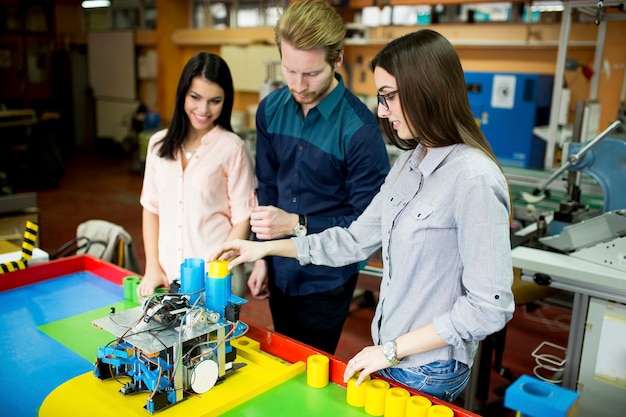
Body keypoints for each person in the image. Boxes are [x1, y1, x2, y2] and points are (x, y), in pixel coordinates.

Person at [211, 29, 514, 402]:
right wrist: (267, 250)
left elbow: (489, 307)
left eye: (388, 97)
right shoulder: (408, 163)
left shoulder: (474, 178)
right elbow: (353, 241)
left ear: (425, 91)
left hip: (429, 367)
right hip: (391, 352)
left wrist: (390, 351)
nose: (383, 111)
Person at [248, 0, 390, 355]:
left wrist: (296, 224)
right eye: (290, 71)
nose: (299, 84)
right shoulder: (270, 110)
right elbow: (266, 187)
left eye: (311, 73)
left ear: (337, 60)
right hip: (279, 268)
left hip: (327, 278)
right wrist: (261, 257)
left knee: (312, 364)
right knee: (282, 357)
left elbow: (366, 224)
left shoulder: (359, 130)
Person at [137, 52, 257, 298]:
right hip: (167, 275)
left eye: (215, 100)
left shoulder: (233, 148)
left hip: (216, 280)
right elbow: (151, 208)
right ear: (183, 93)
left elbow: (242, 219)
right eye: (195, 97)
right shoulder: (158, 145)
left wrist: (217, 271)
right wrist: (152, 267)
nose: (203, 109)